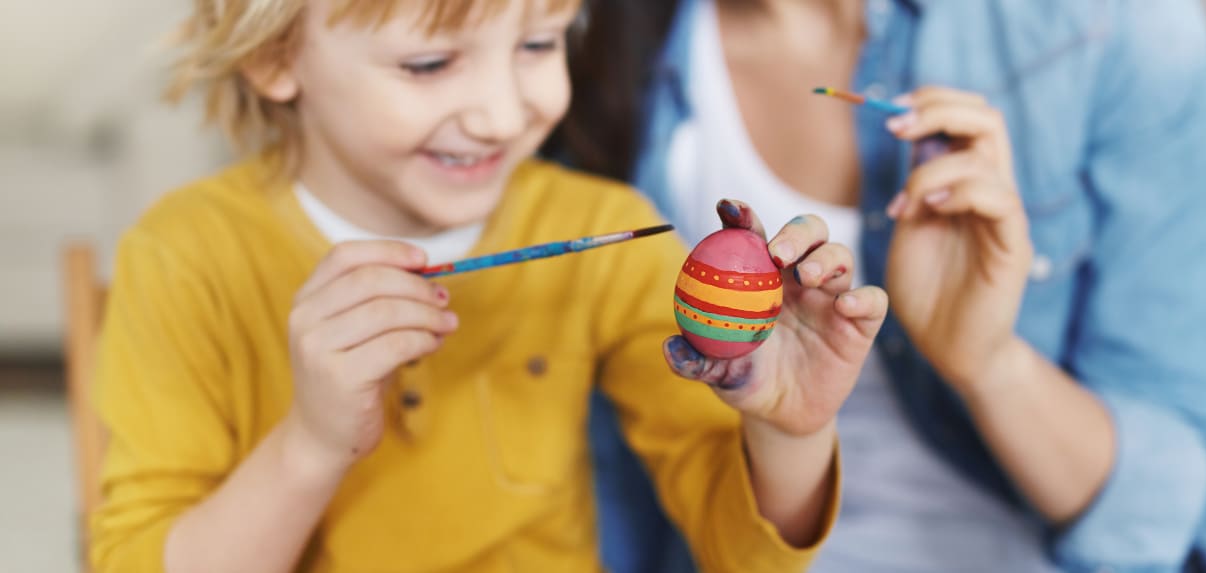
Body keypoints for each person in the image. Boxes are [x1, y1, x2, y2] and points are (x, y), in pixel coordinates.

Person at [89, 0, 893, 571]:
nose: (505, 114)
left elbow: (738, 549)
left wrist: (788, 430)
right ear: (275, 53)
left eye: (539, 44)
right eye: (430, 62)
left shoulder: (602, 232)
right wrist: (312, 441)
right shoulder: (186, 254)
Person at [547, 0, 1206, 571]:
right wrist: (785, 425)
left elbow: (1177, 506)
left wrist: (986, 361)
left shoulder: (1110, 27)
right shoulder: (575, 52)